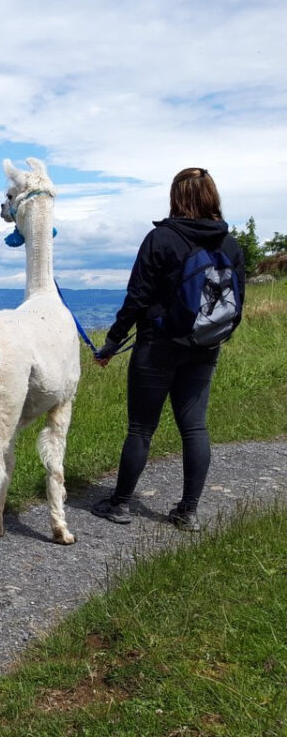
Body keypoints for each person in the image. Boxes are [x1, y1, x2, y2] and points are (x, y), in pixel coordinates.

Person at [90, 167, 245, 532]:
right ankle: (187, 511)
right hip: (205, 346)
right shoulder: (230, 243)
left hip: (157, 348)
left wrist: (112, 342)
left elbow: (137, 297)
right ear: (212, 196)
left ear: (177, 197)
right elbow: (237, 302)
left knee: (141, 428)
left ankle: (121, 504)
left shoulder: (161, 239)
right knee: (194, 427)